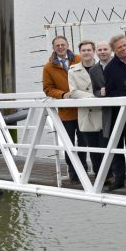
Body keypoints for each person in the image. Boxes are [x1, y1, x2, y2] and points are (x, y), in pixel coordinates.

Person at [43, 35, 86, 183]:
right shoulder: (49, 66)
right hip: (66, 112)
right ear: (54, 48)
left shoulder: (79, 60)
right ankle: (74, 173)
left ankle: (84, 170)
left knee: (83, 142)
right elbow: (48, 89)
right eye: (57, 45)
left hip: (82, 110)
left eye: (63, 44)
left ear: (68, 45)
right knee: (69, 144)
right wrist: (62, 95)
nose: (60, 47)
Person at [103, 34, 126, 191]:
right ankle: (119, 179)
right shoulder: (110, 68)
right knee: (117, 145)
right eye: (119, 47)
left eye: (125, 45)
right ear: (114, 50)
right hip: (119, 112)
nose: (124, 49)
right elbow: (109, 92)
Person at [67, 40, 105, 180]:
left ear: (93, 51)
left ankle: (108, 174)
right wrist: (95, 96)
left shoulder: (102, 67)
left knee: (105, 146)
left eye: (89, 50)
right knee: (92, 148)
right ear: (80, 53)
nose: (86, 52)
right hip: (86, 114)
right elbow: (73, 92)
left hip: (102, 113)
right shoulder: (73, 70)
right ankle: (98, 175)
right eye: (83, 50)